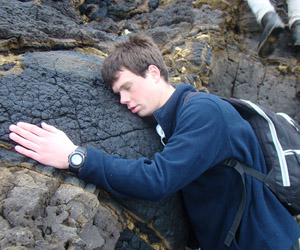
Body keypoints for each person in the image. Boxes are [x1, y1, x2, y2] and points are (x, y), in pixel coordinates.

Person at [8, 34, 300, 249]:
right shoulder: (172, 118)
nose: (123, 100)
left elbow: (158, 180)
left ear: (153, 72)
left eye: (127, 87)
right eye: (117, 94)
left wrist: (76, 157)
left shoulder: (204, 113)